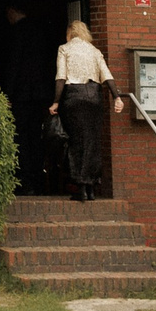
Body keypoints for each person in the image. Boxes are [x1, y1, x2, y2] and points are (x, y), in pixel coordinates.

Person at [48, 19, 115, 201]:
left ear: (70, 32)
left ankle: (79, 187)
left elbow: (61, 77)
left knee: (76, 141)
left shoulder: (65, 48)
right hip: (94, 96)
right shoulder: (94, 51)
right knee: (92, 141)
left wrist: (56, 102)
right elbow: (106, 75)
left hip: (74, 97)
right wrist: (116, 97)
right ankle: (91, 186)